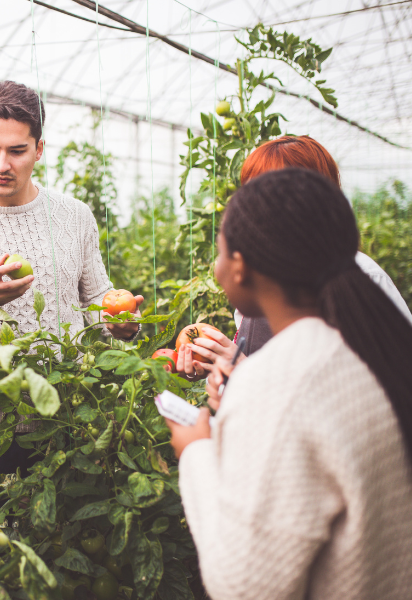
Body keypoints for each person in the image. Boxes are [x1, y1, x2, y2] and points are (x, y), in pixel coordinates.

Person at [166, 168, 412, 599]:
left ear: (240, 267)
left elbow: (245, 585)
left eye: (220, 249)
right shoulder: (380, 345)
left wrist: (195, 450)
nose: (215, 264)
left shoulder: (278, 381)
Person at [0, 81, 142, 486]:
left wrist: (119, 322)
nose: (2, 164)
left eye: (17, 151)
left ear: (38, 149)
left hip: (67, 413)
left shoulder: (74, 216)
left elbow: (95, 296)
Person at [176, 135, 412, 382]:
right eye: (251, 189)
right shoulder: (261, 275)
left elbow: (373, 390)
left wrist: (246, 372)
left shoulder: (363, 276)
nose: (255, 204)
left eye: (272, 191)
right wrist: (218, 368)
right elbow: (256, 355)